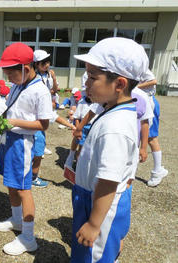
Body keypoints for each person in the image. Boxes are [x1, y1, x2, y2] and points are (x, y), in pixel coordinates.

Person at [71, 37, 148, 263]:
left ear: (120, 84)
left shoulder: (115, 127)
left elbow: (108, 180)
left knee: (94, 256)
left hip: (100, 205)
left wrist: (95, 224)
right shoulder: (112, 109)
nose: (86, 82)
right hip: (92, 198)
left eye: (93, 77)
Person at [0, 42, 53, 255]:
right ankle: (17, 220)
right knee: (11, 183)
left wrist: (14, 121)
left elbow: (43, 124)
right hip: (9, 139)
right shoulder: (19, 84)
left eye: (11, 73)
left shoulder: (40, 90)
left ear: (25, 68)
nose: (8, 78)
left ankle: (28, 237)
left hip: (23, 144)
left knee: (24, 189)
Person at [138, 69, 168, 187]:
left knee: (151, 137)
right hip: (141, 101)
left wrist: (137, 87)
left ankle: (157, 171)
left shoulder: (143, 68)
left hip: (148, 102)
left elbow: (153, 81)